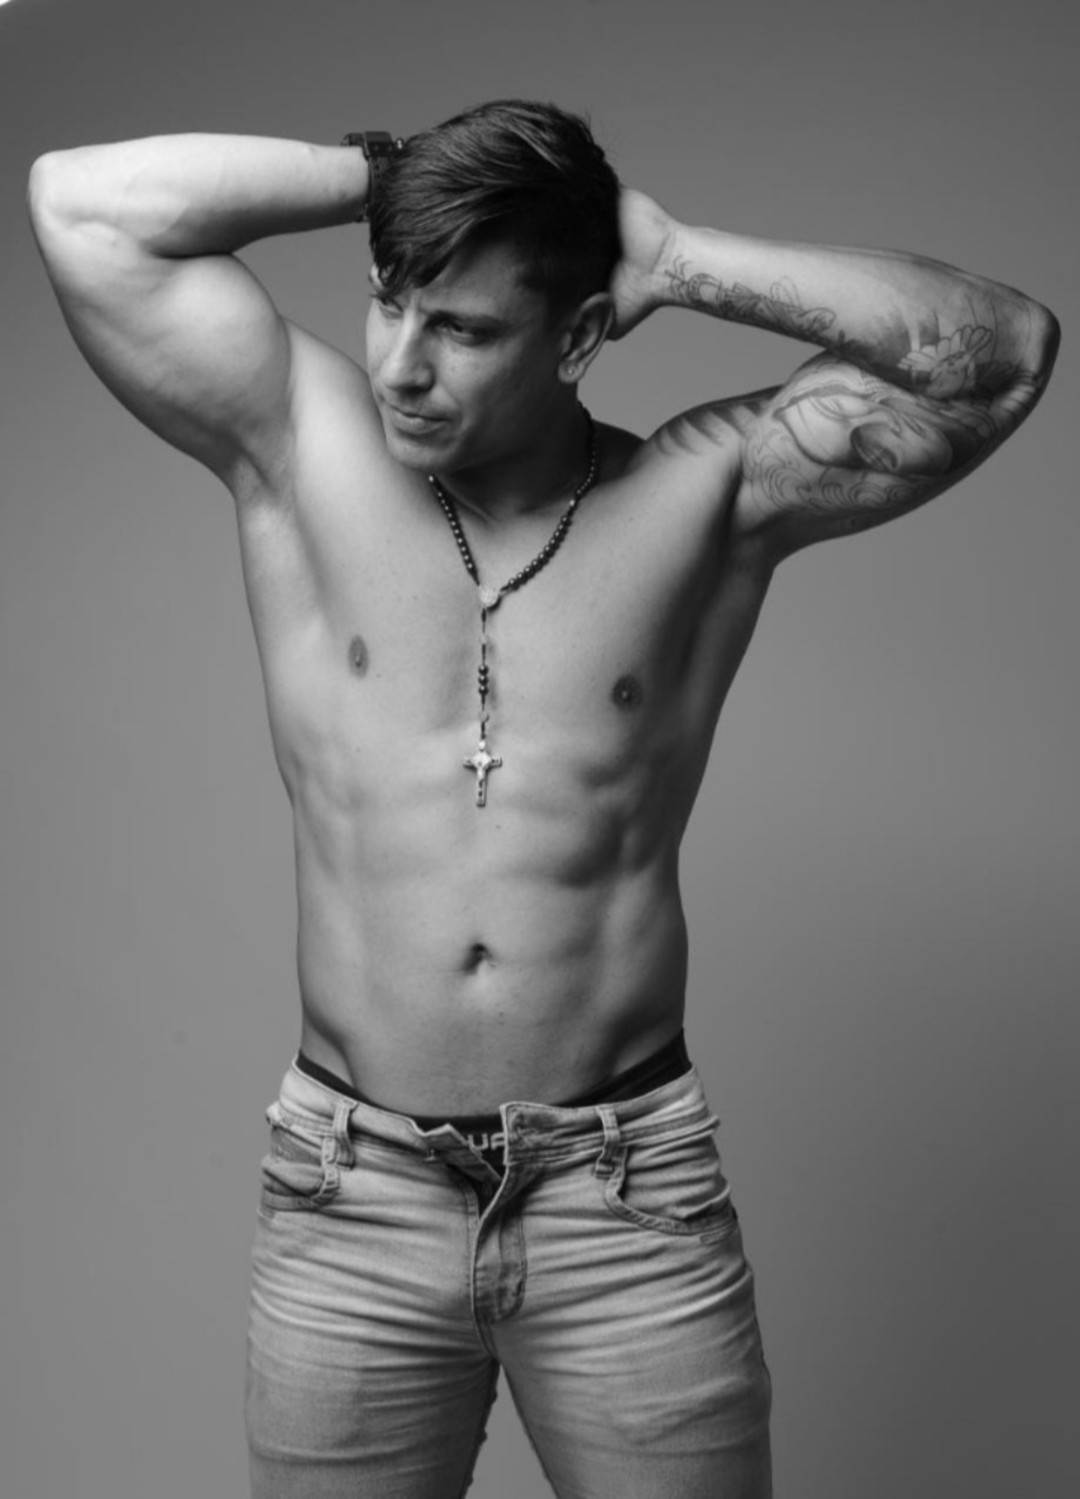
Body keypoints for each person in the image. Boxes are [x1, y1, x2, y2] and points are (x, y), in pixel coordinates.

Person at [28, 100, 1058, 1499]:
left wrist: (678, 259)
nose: (399, 364)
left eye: (461, 329)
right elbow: (81, 204)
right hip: (351, 1199)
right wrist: (393, 176)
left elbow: (1001, 355)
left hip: (622, 1198)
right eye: (389, 303)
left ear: (576, 338)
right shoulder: (299, 440)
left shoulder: (705, 495)